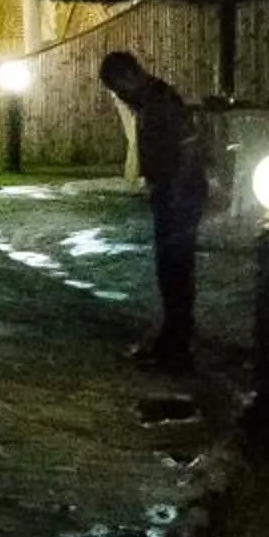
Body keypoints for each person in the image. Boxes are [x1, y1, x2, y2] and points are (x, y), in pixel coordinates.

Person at [100, 50, 211, 371]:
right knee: (171, 268)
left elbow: (189, 144)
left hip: (180, 192)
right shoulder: (149, 100)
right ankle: (173, 335)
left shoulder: (160, 99)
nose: (119, 95)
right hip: (171, 190)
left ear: (129, 76)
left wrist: (175, 189)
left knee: (176, 268)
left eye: (119, 88)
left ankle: (178, 341)